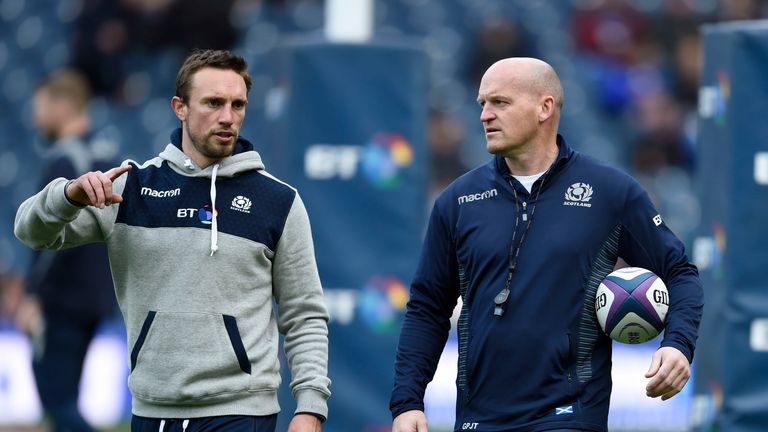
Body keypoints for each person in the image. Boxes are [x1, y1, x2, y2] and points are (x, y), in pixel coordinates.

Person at [15, 49, 331, 432]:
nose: (228, 117)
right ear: (179, 108)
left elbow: (304, 315)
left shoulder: (279, 202)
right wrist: (65, 197)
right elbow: (30, 232)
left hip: (242, 412)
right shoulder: (129, 189)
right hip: (151, 411)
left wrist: (310, 407)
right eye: (213, 103)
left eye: (237, 104)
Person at [390, 58, 703, 432]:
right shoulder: (457, 201)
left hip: (569, 415)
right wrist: (407, 401)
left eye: (500, 103)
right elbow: (428, 307)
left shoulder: (610, 193)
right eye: (482, 104)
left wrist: (677, 344)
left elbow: (680, 273)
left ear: (545, 107)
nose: (485, 116)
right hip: (479, 419)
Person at [16, 69, 117, 432]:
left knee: (57, 402)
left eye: (40, 106)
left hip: (62, 300)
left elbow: (49, 237)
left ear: (62, 107)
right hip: (97, 295)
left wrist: (32, 296)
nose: (35, 116)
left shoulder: (65, 159)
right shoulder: (108, 152)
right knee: (67, 399)